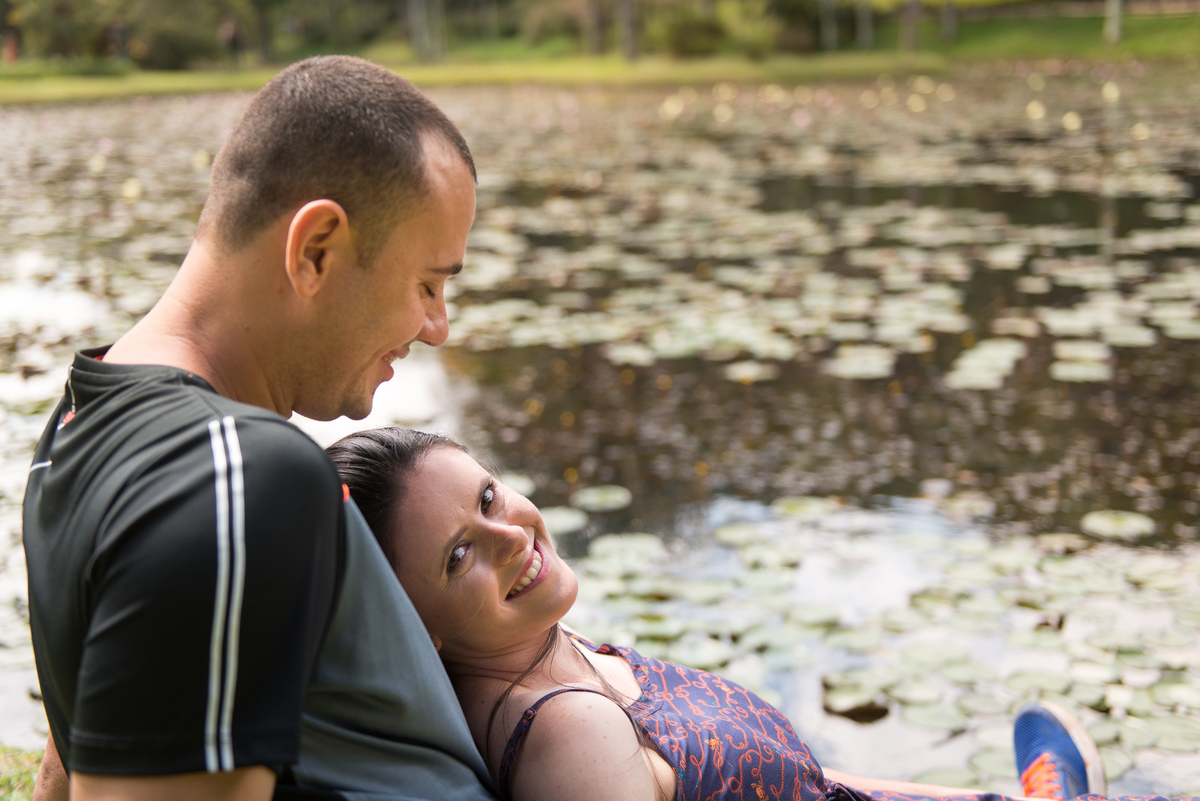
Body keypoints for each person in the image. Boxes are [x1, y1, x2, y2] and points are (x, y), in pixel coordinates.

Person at [23, 57, 495, 801]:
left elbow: (84, 739)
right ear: (316, 250)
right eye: (428, 284)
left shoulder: (80, 420)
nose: (437, 327)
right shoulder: (237, 475)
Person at [326, 426, 1185, 801]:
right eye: (458, 555)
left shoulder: (535, 646)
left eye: (486, 495)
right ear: (416, 624)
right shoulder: (564, 738)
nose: (508, 533)